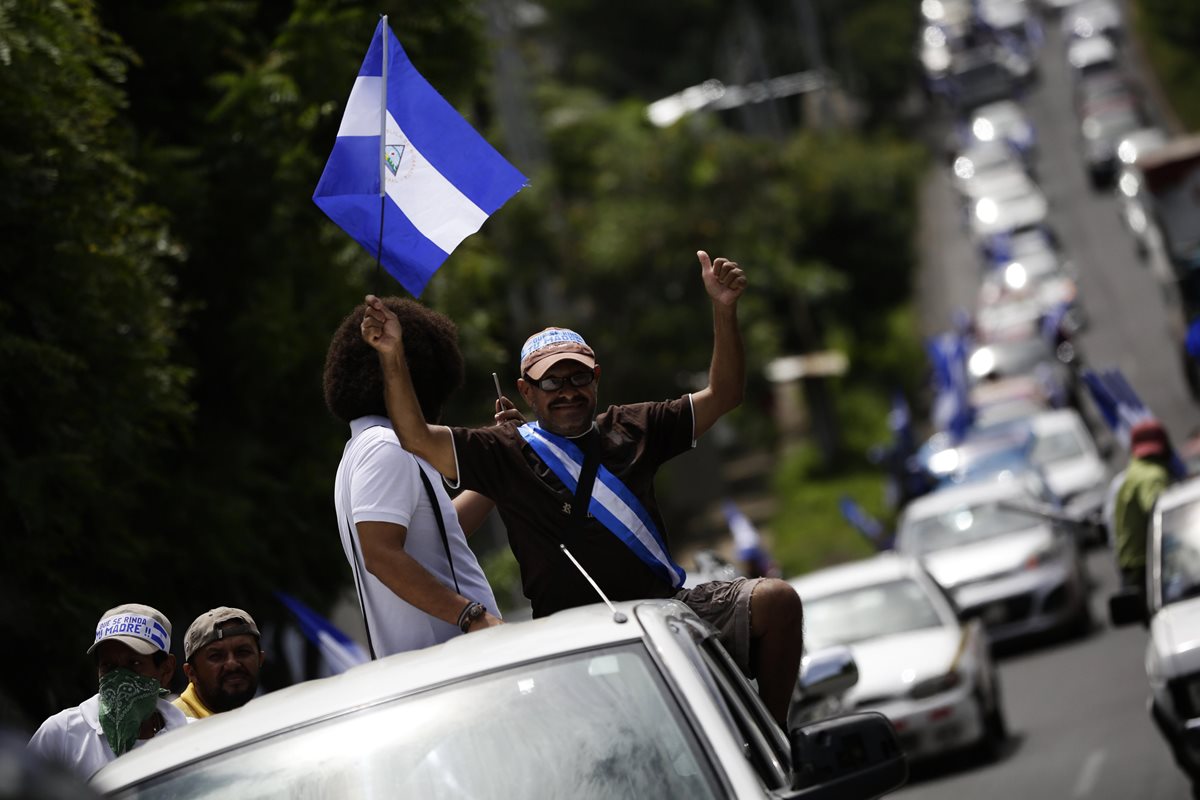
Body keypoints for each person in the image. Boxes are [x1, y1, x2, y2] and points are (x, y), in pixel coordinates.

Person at [361, 250, 804, 727]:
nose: (566, 390)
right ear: (526, 391)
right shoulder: (503, 450)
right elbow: (416, 436)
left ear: (596, 380)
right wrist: (391, 356)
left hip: (663, 612)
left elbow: (725, 395)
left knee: (777, 601)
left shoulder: (635, 425)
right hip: (570, 637)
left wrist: (724, 307)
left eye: (577, 377)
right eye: (551, 381)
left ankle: (776, 740)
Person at [325, 297, 501, 659]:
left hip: (440, 664)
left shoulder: (367, 446)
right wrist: (471, 616)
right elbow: (381, 554)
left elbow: (438, 533)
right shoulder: (385, 446)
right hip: (450, 662)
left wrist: (501, 461)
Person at [27, 604, 188, 780]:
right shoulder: (62, 735)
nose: (119, 678)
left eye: (134, 664)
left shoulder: (191, 737)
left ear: (166, 670)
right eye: (108, 666)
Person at [1113, 419, 1174, 613]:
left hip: (1133, 565)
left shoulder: (1133, 472)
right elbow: (1159, 512)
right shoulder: (1153, 475)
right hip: (1147, 565)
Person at [172, 607, 265, 719]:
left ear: (260, 658)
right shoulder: (171, 727)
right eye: (216, 656)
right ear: (191, 672)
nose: (232, 664)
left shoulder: (273, 715)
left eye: (243, 652)